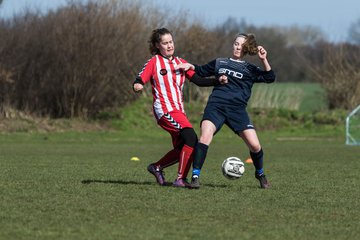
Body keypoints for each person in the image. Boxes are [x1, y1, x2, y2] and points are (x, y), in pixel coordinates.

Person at [176, 33, 276, 189]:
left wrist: (264, 59)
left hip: (237, 111)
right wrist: (190, 66)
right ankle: (195, 176)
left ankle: (260, 174)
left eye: (241, 45)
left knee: (255, 146)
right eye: (236, 43)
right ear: (233, 45)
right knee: (205, 137)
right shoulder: (220, 62)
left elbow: (270, 77)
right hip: (216, 107)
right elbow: (201, 71)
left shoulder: (250, 69)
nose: (237, 47)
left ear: (246, 48)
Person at [133, 28, 227, 188]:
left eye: (171, 42)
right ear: (157, 45)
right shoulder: (154, 62)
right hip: (164, 110)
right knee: (191, 137)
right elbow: (140, 78)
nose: (169, 45)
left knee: (185, 146)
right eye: (165, 43)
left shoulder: (180, 63)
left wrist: (218, 80)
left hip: (179, 112)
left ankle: (156, 167)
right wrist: (138, 84)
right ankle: (180, 179)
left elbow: (198, 80)